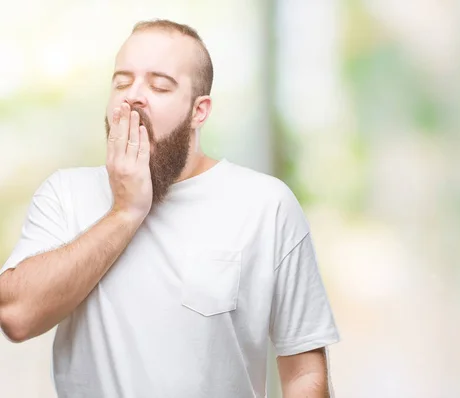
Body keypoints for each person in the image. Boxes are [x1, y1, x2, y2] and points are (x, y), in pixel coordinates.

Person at [0, 19, 340, 398]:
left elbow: (303, 374)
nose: (133, 96)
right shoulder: (65, 194)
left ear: (199, 112)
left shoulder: (266, 205)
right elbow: (16, 316)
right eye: (122, 82)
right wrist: (125, 212)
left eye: (159, 85)